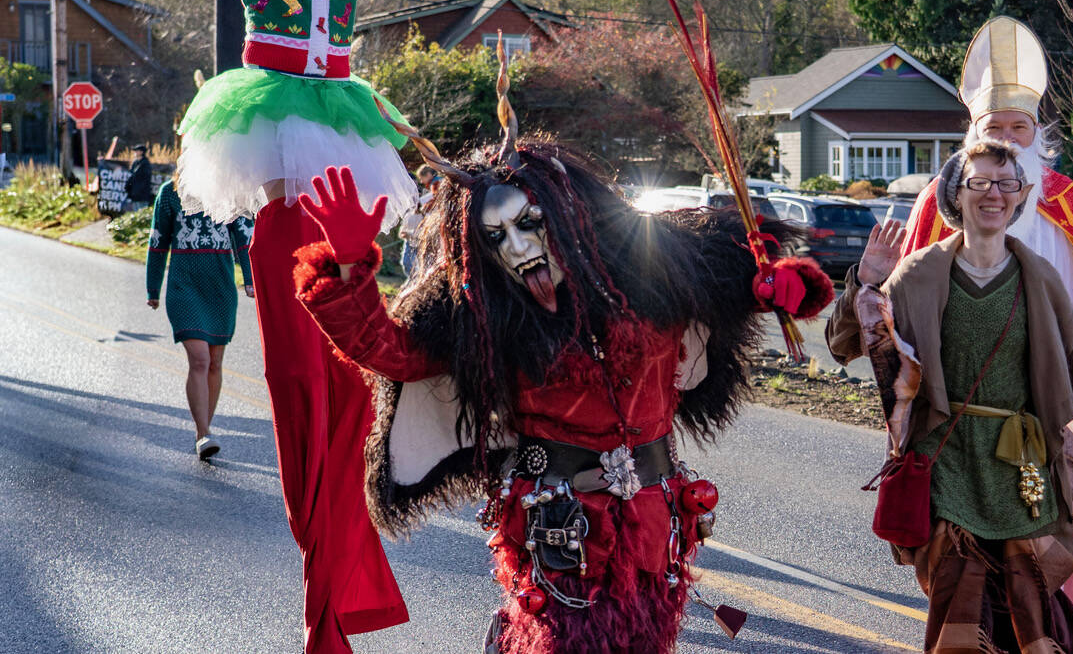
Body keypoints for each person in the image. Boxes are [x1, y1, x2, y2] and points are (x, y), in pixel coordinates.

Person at [62, 0, 557, 653]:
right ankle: (321, 560)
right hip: (273, 121)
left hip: (339, 120)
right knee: (297, 352)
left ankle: (341, 531)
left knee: (350, 365)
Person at [288, 83, 833, 653]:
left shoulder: (657, 268)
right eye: (495, 237)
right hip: (559, 526)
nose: (518, 248)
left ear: (569, 215)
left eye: (530, 223)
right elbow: (391, 352)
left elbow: (745, 280)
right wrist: (349, 271)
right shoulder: (483, 319)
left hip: (655, 524)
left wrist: (780, 287)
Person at [827, 142, 1073, 653]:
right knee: (959, 618)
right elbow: (844, 345)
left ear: (1021, 196)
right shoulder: (916, 274)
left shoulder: (1041, 279)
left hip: (1023, 474)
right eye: (980, 183)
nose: (994, 195)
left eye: (1006, 184)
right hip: (947, 468)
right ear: (955, 196)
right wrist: (866, 282)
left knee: (1031, 616)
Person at [901, 16, 1073, 610]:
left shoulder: (1067, 204)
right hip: (960, 408)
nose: (1008, 138)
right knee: (961, 560)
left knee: (1035, 559)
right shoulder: (935, 204)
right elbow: (905, 311)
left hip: (1044, 410)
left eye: (1019, 128)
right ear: (973, 139)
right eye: (994, 127)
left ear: (1036, 137)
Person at [145, 179, 255, 459]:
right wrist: (153, 286)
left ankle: (204, 430)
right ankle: (203, 433)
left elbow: (243, 236)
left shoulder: (229, 188)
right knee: (200, 359)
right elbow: (158, 239)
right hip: (184, 286)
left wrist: (250, 279)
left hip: (220, 286)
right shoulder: (170, 193)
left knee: (215, 362)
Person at [124, 143, 153, 209]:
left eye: (137, 151)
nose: (135, 152)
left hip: (142, 194)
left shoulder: (146, 164)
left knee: (142, 211)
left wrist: (139, 189)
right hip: (135, 194)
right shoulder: (135, 163)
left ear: (141, 152)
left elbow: (146, 179)